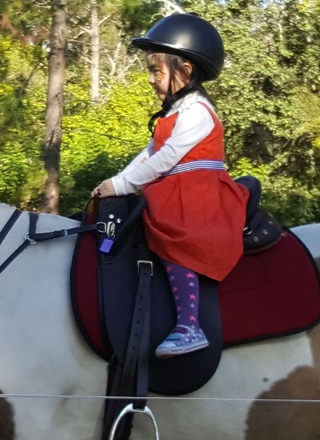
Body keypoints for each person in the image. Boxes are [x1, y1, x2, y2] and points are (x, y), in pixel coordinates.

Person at [91, 13, 248, 359]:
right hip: (178, 194)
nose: (150, 80)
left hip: (198, 198)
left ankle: (189, 326)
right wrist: (114, 182)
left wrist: (123, 184)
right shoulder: (174, 112)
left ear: (185, 71)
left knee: (176, 240)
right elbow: (149, 153)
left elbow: (167, 158)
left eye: (156, 71)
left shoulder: (199, 112)